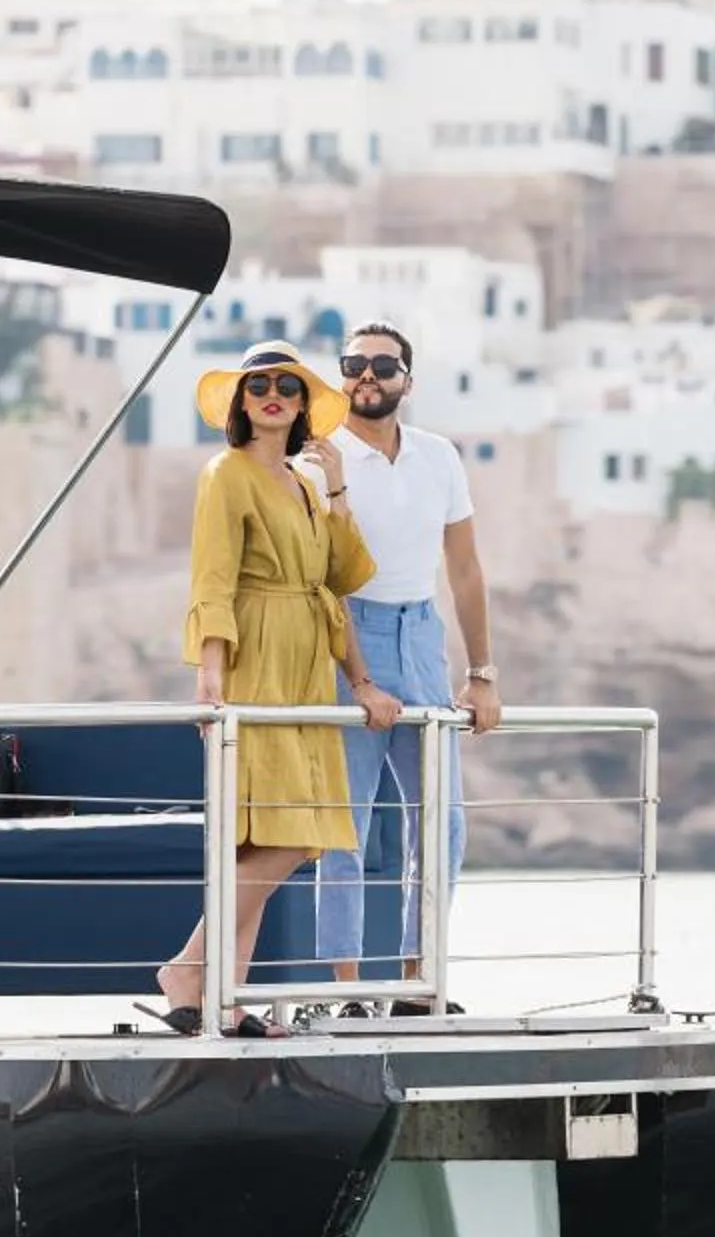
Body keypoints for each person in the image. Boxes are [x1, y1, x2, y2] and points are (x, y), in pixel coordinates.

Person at [160, 341, 400, 1036]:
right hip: (255, 662)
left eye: (288, 387)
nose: (272, 394)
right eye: (258, 384)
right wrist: (210, 679)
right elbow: (211, 579)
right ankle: (189, 968)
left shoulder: (302, 483)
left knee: (269, 837)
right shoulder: (224, 474)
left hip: (306, 669)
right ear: (240, 401)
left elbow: (342, 579)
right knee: (285, 834)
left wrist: (337, 488)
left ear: (301, 406)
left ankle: (222, 996)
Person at [319, 320, 498, 1013]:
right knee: (345, 826)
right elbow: (323, 577)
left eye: (383, 366)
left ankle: (415, 985)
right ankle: (348, 992)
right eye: (354, 364)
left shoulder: (438, 457)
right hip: (348, 633)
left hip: (421, 634)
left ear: (407, 382)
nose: (368, 376)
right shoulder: (319, 460)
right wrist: (355, 671)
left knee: (442, 822)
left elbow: (465, 567)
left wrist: (482, 672)